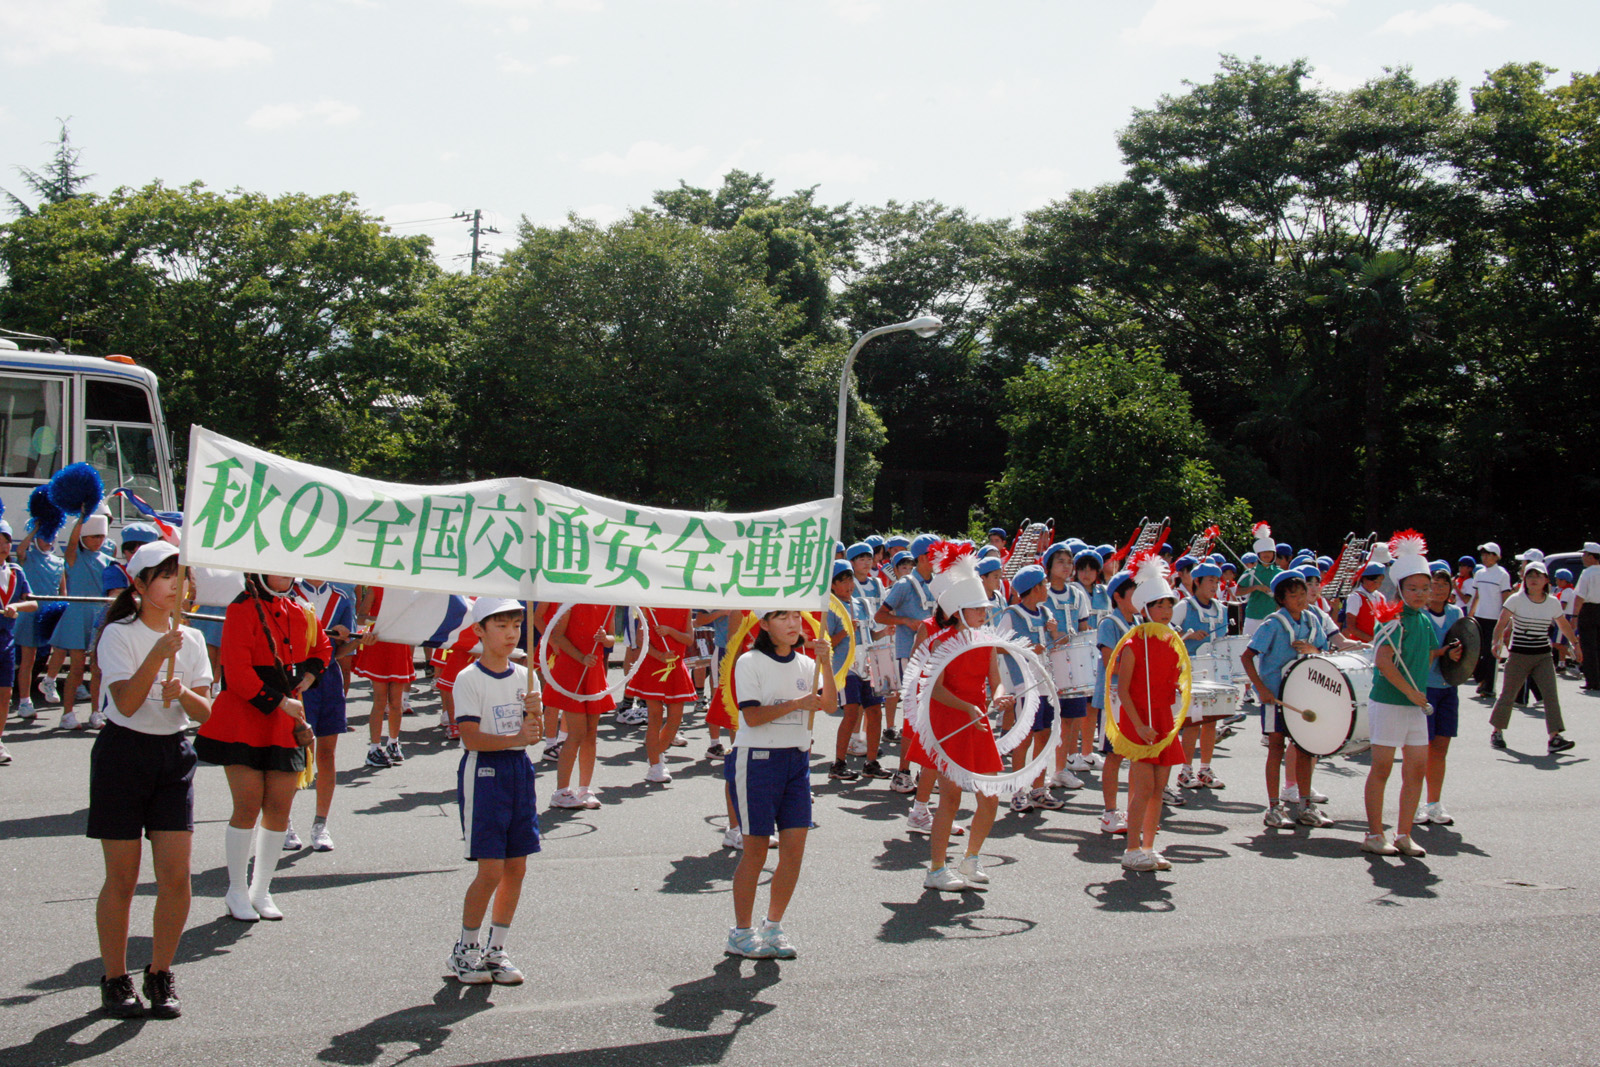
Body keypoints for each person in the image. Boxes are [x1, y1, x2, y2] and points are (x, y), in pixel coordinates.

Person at [89, 540, 212, 1017]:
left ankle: (160, 972)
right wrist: (158, 653)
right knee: (122, 877)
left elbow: (206, 711)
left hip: (175, 754)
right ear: (138, 585)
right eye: (164, 575)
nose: (176, 585)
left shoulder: (195, 639)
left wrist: (183, 693)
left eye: (182, 575)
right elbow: (124, 702)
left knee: (176, 877)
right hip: (123, 753)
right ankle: (115, 977)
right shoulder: (119, 634)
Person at [194, 573, 329, 922]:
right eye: (275, 568)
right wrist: (280, 702)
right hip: (245, 717)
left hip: (286, 722)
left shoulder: (301, 608)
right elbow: (236, 673)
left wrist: (310, 676)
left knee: (279, 808)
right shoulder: (241, 607)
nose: (283, 575)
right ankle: (236, 890)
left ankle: (262, 889)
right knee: (248, 803)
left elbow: (322, 648)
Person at [725, 609, 833, 958]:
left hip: (797, 761)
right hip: (757, 760)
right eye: (782, 618)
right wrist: (798, 704)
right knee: (755, 852)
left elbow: (829, 704)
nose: (792, 624)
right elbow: (752, 716)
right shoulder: (749, 661)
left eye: (795, 618)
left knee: (794, 852)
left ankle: (773, 927)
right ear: (764, 625)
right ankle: (741, 933)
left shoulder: (806, 663)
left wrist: (826, 663)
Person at [449, 598, 543, 984]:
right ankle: (465, 949)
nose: (510, 633)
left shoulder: (526, 676)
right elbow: (471, 738)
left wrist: (535, 712)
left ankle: (497, 949)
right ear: (480, 632)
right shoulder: (468, 678)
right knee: (490, 869)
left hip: (519, 769)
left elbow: (533, 735)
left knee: (517, 867)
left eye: (515, 626)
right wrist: (517, 735)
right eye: (500, 625)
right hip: (485, 772)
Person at [908, 545, 1009, 892]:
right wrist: (967, 707)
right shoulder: (941, 642)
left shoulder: (986, 641)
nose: (984, 613)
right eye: (977, 609)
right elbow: (931, 688)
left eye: (985, 608)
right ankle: (936, 869)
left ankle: (971, 858)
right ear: (959, 611)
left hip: (976, 723)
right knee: (949, 798)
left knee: (990, 796)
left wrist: (1000, 698)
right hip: (949, 722)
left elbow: (995, 681)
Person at [1362, 533, 1446, 857]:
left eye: (1426, 588)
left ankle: (1404, 834)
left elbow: (1423, 658)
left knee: (1416, 769)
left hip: (1415, 704)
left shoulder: (1424, 620)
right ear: (1400, 589)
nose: (1421, 594)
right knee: (1382, 768)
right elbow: (1383, 661)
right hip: (1389, 702)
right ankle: (1373, 834)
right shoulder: (1392, 620)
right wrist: (1411, 692)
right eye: (1413, 589)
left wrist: (1446, 658)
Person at [1241, 570, 1331, 829]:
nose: (1301, 599)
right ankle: (1273, 807)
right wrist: (1261, 689)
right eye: (1293, 595)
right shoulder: (1272, 624)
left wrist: (1315, 650)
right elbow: (1247, 657)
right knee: (1275, 748)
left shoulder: (1313, 620)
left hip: (1304, 694)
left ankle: (1305, 805)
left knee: (1305, 748)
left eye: (1303, 593)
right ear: (1281, 599)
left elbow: (1324, 649)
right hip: (1276, 697)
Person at [1115, 553, 1186, 872]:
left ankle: (1149, 846)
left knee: (1158, 789)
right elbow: (1123, 690)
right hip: (1140, 720)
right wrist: (1140, 725)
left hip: (1163, 720)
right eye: (1160, 605)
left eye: (1170, 605)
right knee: (1142, 788)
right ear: (1145, 609)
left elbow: (1173, 680)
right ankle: (1130, 849)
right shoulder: (1133, 645)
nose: (1167, 611)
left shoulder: (1173, 642)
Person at [288, 578, 357, 851]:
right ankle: (283, 822)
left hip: (327, 679)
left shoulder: (342, 595)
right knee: (294, 752)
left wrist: (350, 639)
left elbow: (345, 648)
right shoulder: (289, 592)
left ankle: (320, 824)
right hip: (296, 677)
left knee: (326, 754)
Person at [1489, 560, 1579, 753]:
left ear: (1546, 580)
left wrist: (1575, 645)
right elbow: (1502, 622)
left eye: (1538, 576)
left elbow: (1563, 624)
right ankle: (1497, 732)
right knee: (1508, 694)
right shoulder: (1516, 599)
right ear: (1524, 579)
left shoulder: (1553, 602)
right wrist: (1496, 642)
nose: (1533, 579)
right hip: (1519, 655)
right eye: (1530, 575)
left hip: (1543, 656)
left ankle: (1554, 737)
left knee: (1550, 695)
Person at [997, 565, 1065, 812]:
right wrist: (1025, 648)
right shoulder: (1012, 614)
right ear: (1035, 588)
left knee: (1044, 736)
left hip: (1046, 682)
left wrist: (1055, 632)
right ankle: (1018, 790)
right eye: (1044, 584)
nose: (1047, 587)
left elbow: (1058, 643)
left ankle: (1038, 788)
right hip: (1024, 684)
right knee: (1023, 738)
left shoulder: (1046, 612)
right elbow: (997, 645)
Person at [877, 535, 940, 793]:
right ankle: (902, 772)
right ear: (923, 557)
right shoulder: (905, 584)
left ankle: (926, 772)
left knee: (931, 715)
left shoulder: (938, 583)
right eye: (936, 554)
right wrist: (907, 621)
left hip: (937, 654)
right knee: (913, 714)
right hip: (909, 654)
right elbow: (880, 615)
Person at [543, 601, 616, 809]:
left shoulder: (609, 604)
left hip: (593, 670)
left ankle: (585, 789)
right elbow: (557, 635)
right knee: (576, 733)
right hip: (572, 670)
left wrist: (604, 639)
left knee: (591, 733)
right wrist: (580, 657)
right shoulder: (572, 600)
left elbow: (612, 639)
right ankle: (561, 791)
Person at [55, 512, 115, 730]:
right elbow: (71, 543)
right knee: (77, 668)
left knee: (98, 669)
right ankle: (67, 713)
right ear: (83, 537)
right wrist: (81, 519)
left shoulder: (109, 561)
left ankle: (96, 712)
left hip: (100, 615)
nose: (99, 540)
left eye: (101, 536)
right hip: (77, 615)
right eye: (93, 536)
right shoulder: (74, 556)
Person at [1173, 560, 1230, 790]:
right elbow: (1169, 632)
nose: (1214, 586)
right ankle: (1185, 770)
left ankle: (1205, 767)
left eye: (1217, 581)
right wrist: (1188, 636)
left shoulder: (1222, 608)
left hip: (1215, 670)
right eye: (1210, 581)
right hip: (1191, 670)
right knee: (1193, 720)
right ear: (1196, 582)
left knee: (1212, 721)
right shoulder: (1184, 606)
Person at [1417, 563, 1465, 827]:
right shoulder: (1417, 615)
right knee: (1419, 749)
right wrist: (1441, 652)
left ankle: (1434, 804)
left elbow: (1465, 644)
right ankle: (1414, 805)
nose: (1439, 589)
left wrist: (1457, 655)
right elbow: (1414, 655)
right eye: (1434, 584)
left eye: (1444, 584)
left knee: (1440, 749)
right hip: (1423, 689)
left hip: (1449, 687)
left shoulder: (1456, 613)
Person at [627, 606, 696, 784]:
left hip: (676, 667)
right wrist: (659, 655)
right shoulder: (649, 607)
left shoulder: (684, 608)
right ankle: (655, 765)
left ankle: (656, 754)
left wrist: (670, 631)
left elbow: (689, 639)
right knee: (655, 716)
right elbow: (641, 639)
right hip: (653, 666)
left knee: (675, 719)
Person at [1095, 570, 1140, 834]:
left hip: (1136, 698)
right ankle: (1109, 812)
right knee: (1114, 755)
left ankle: (1134, 811)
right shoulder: (1109, 623)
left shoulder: (1141, 621)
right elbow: (1109, 661)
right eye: (1134, 592)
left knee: (1137, 757)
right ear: (1118, 596)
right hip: (1114, 698)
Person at [352, 587, 413, 768]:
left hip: (399, 646)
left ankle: (393, 742)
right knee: (380, 701)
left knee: (396, 701)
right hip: (378, 645)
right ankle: (374, 748)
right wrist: (382, 623)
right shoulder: (376, 589)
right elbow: (362, 616)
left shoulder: (409, 591)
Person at [11, 524, 65, 723]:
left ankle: (48, 682)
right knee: (28, 660)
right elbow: (19, 550)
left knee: (58, 650)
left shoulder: (59, 562)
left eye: (51, 536)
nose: (48, 540)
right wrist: (37, 527)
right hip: (31, 614)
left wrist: (61, 612)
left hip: (50, 615)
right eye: (44, 536)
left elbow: (63, 592)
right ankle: (25, 701)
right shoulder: (29, 557)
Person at [0, 520, 40, 764]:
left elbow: (33, 602)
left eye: (6, 542)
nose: (3, 547)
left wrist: (16, 606)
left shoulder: (16, 571)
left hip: (5, 641)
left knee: (5, 693)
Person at [1468, 542, 1512, 697]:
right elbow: (1477, 596)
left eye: (1488, 554)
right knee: (1475, 651)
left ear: (1496, 556)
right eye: (1483, 554)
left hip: (1494, 619)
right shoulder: (1479, 574)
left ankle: (1489, 687)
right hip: (1479, 617)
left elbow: (1506, 598)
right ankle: (1481, 679)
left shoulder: (1502, 574)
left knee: (1490, 653)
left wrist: (1505, 621)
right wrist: (1471, 614)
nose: (1484, 557)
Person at [1572, 542, 1600, 692]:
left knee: (1588, 647)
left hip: (1589, 610)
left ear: (1591, 556)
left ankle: (1592, 681)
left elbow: (1580, 597)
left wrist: (1575, 616)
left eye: (1584, 554)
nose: (1583, 557)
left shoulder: (1587, 573)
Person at [1342, 564, 1388, 643]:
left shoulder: (1380, 597)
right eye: (1374, 582)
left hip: (1377, 643)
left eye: (1380, 582)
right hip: (1360, 645)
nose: (1377, 585)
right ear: (1364, 579)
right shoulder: (1356, 597)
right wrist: (1372, 640)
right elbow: (1351, 627)